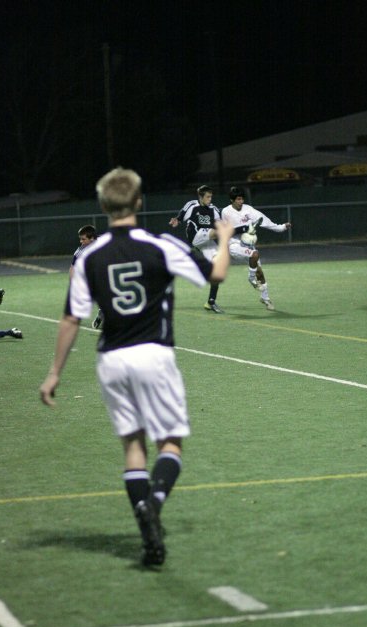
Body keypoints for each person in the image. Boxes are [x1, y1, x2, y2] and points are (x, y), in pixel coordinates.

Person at [40, 167, 233, 567]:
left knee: (133, 446)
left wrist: (55, 372)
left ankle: (149, 538)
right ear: (139, 202)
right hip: (153, 354)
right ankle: (154, 504)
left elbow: (72, 319)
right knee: (170, 443)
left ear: (104, 206)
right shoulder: (160, 244)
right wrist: (226, 239)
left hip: (111, 359)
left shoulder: (88, 255)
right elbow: (216, 273)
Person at [221, 187, 292, 311]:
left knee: (260, 272)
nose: (241, 201)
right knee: (254, 254)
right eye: (238, 199)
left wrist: (280, 228)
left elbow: (263, 220)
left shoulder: (248, 209)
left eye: (242, 199)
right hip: (234, 246)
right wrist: (246, 228)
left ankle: (265, 298)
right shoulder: (226, 212)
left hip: (248, 245)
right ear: (232, 200)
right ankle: (250, 278)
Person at [169, 185, 224, 313]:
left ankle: (211, 302)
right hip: (195, 235)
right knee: (216, 232)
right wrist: (177, 220)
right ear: (200, 197)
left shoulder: (213, 209)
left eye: (211, 196)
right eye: (207, 197)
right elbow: (181, 216)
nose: (210, 199)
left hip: (207, 240)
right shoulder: (191, 205)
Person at [69, 224, 104, 329]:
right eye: (80, 239)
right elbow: (72, 268)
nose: (81, 242)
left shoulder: (105, 242)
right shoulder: (81, 251)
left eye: (83, 239)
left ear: (92, 238)